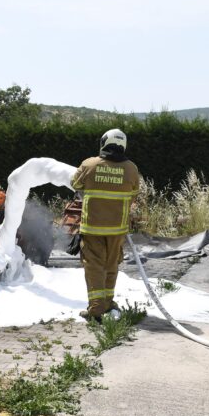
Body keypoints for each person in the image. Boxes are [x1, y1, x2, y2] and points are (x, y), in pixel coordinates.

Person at [71, 128, 140, 322]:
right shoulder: (131, 169)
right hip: (117, 230)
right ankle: (108, 303)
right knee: (111, 265)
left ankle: (96, 309)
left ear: (104, 143)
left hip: (92, 228)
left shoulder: (89, 164)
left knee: (94, 267)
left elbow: (75, 183)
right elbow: (134, 194)